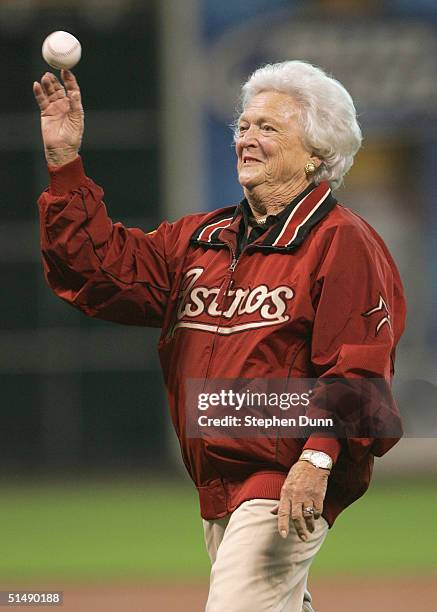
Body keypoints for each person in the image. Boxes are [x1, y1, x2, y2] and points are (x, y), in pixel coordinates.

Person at [33, 60, 406, 612]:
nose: (247, 139)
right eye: (244, 125)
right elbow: (97, 268)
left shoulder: (340, 242)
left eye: (268, 128)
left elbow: (359, 368)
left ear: (316, 154)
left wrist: (318, 461)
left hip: (283, 475)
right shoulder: (200, 241)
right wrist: (65, 165)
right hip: (217, 477)